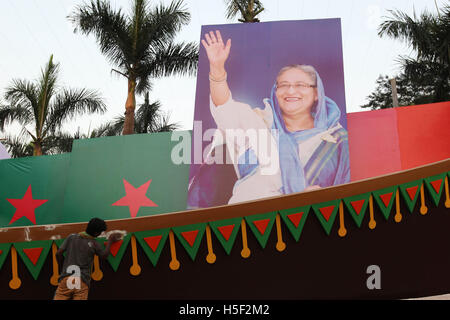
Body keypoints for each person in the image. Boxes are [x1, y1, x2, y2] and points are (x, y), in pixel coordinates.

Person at [190, 30, 350, 205]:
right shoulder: (258, 122)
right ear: (276, 92)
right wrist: (217, 68)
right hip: (245, 219)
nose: (290, 91)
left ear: (316, 93)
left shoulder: (337, 141)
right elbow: (224, 108)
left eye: (300, 85)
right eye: (283, 85)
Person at [53, 217, 122, 300]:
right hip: (82, 280)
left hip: (66, 278)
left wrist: (62, 266)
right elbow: (104, 256)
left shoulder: (71, 237)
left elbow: (58, 253)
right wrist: (110, 241)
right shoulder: (94, 244)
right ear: (96, 233)